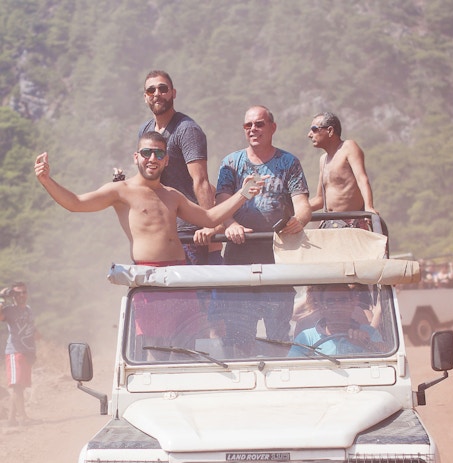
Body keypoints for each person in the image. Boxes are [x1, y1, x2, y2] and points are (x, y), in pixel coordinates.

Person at [34, 131, 263, 265]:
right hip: (149, 277)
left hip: (180, 272)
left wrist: (242, 194)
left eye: (159, 153)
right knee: (153, 347)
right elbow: (76, 203)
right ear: (136, 157)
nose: (152, 158)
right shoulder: (120, 191)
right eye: (146, 153)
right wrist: (46, 180)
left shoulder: (173, 195)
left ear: (166, 161)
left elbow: (210, 218)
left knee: (187, 346)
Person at [202, 105, 312, 265]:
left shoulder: (289, 162)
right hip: (239, 249)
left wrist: (299, 220)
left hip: (280, 250)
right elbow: (221, 204)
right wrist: (231, 225)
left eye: (259, 124)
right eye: (248, 125)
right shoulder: (230, 163)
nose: (253, 129)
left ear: (273, 128)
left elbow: (302, 204)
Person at [138, 69, 221, 264]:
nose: (157, 94)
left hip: (189, 230)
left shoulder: (187, 130)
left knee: (194, 291)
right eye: (151, 90)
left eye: (162, 88)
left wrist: (209, 226)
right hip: (160, 228)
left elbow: (200, 181)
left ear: (173, 93)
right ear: (145, 97)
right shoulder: (145, 130)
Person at [307, 112, 376, 222]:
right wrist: (295, 208)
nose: (309, 134)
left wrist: (369, 207)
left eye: (314, 129)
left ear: (330, 130)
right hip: (329, 223)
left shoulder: (349, 147)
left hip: (351, 223)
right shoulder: (323, 159)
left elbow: (361, 179)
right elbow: (320, 200)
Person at [289, 284, 383, 357]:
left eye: (343, 300)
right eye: (330, 301)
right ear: (322, 308)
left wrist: (367, 344)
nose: (337, 306)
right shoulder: (307, 338)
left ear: (352, 304)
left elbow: (388, 356)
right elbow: (292, 368)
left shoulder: (369, 333)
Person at [0, 282, 39, 426]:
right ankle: (23, 417)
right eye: (18, 293)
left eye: (24, 292)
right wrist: (2, 298)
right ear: (13, 296)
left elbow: (31, 329)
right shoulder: (9, 310)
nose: (22, 295)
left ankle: (11, 419)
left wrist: (34, 349)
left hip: (26, 352)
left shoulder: (28, 310)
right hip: (14, 352)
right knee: (16, 386)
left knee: (20, 387)